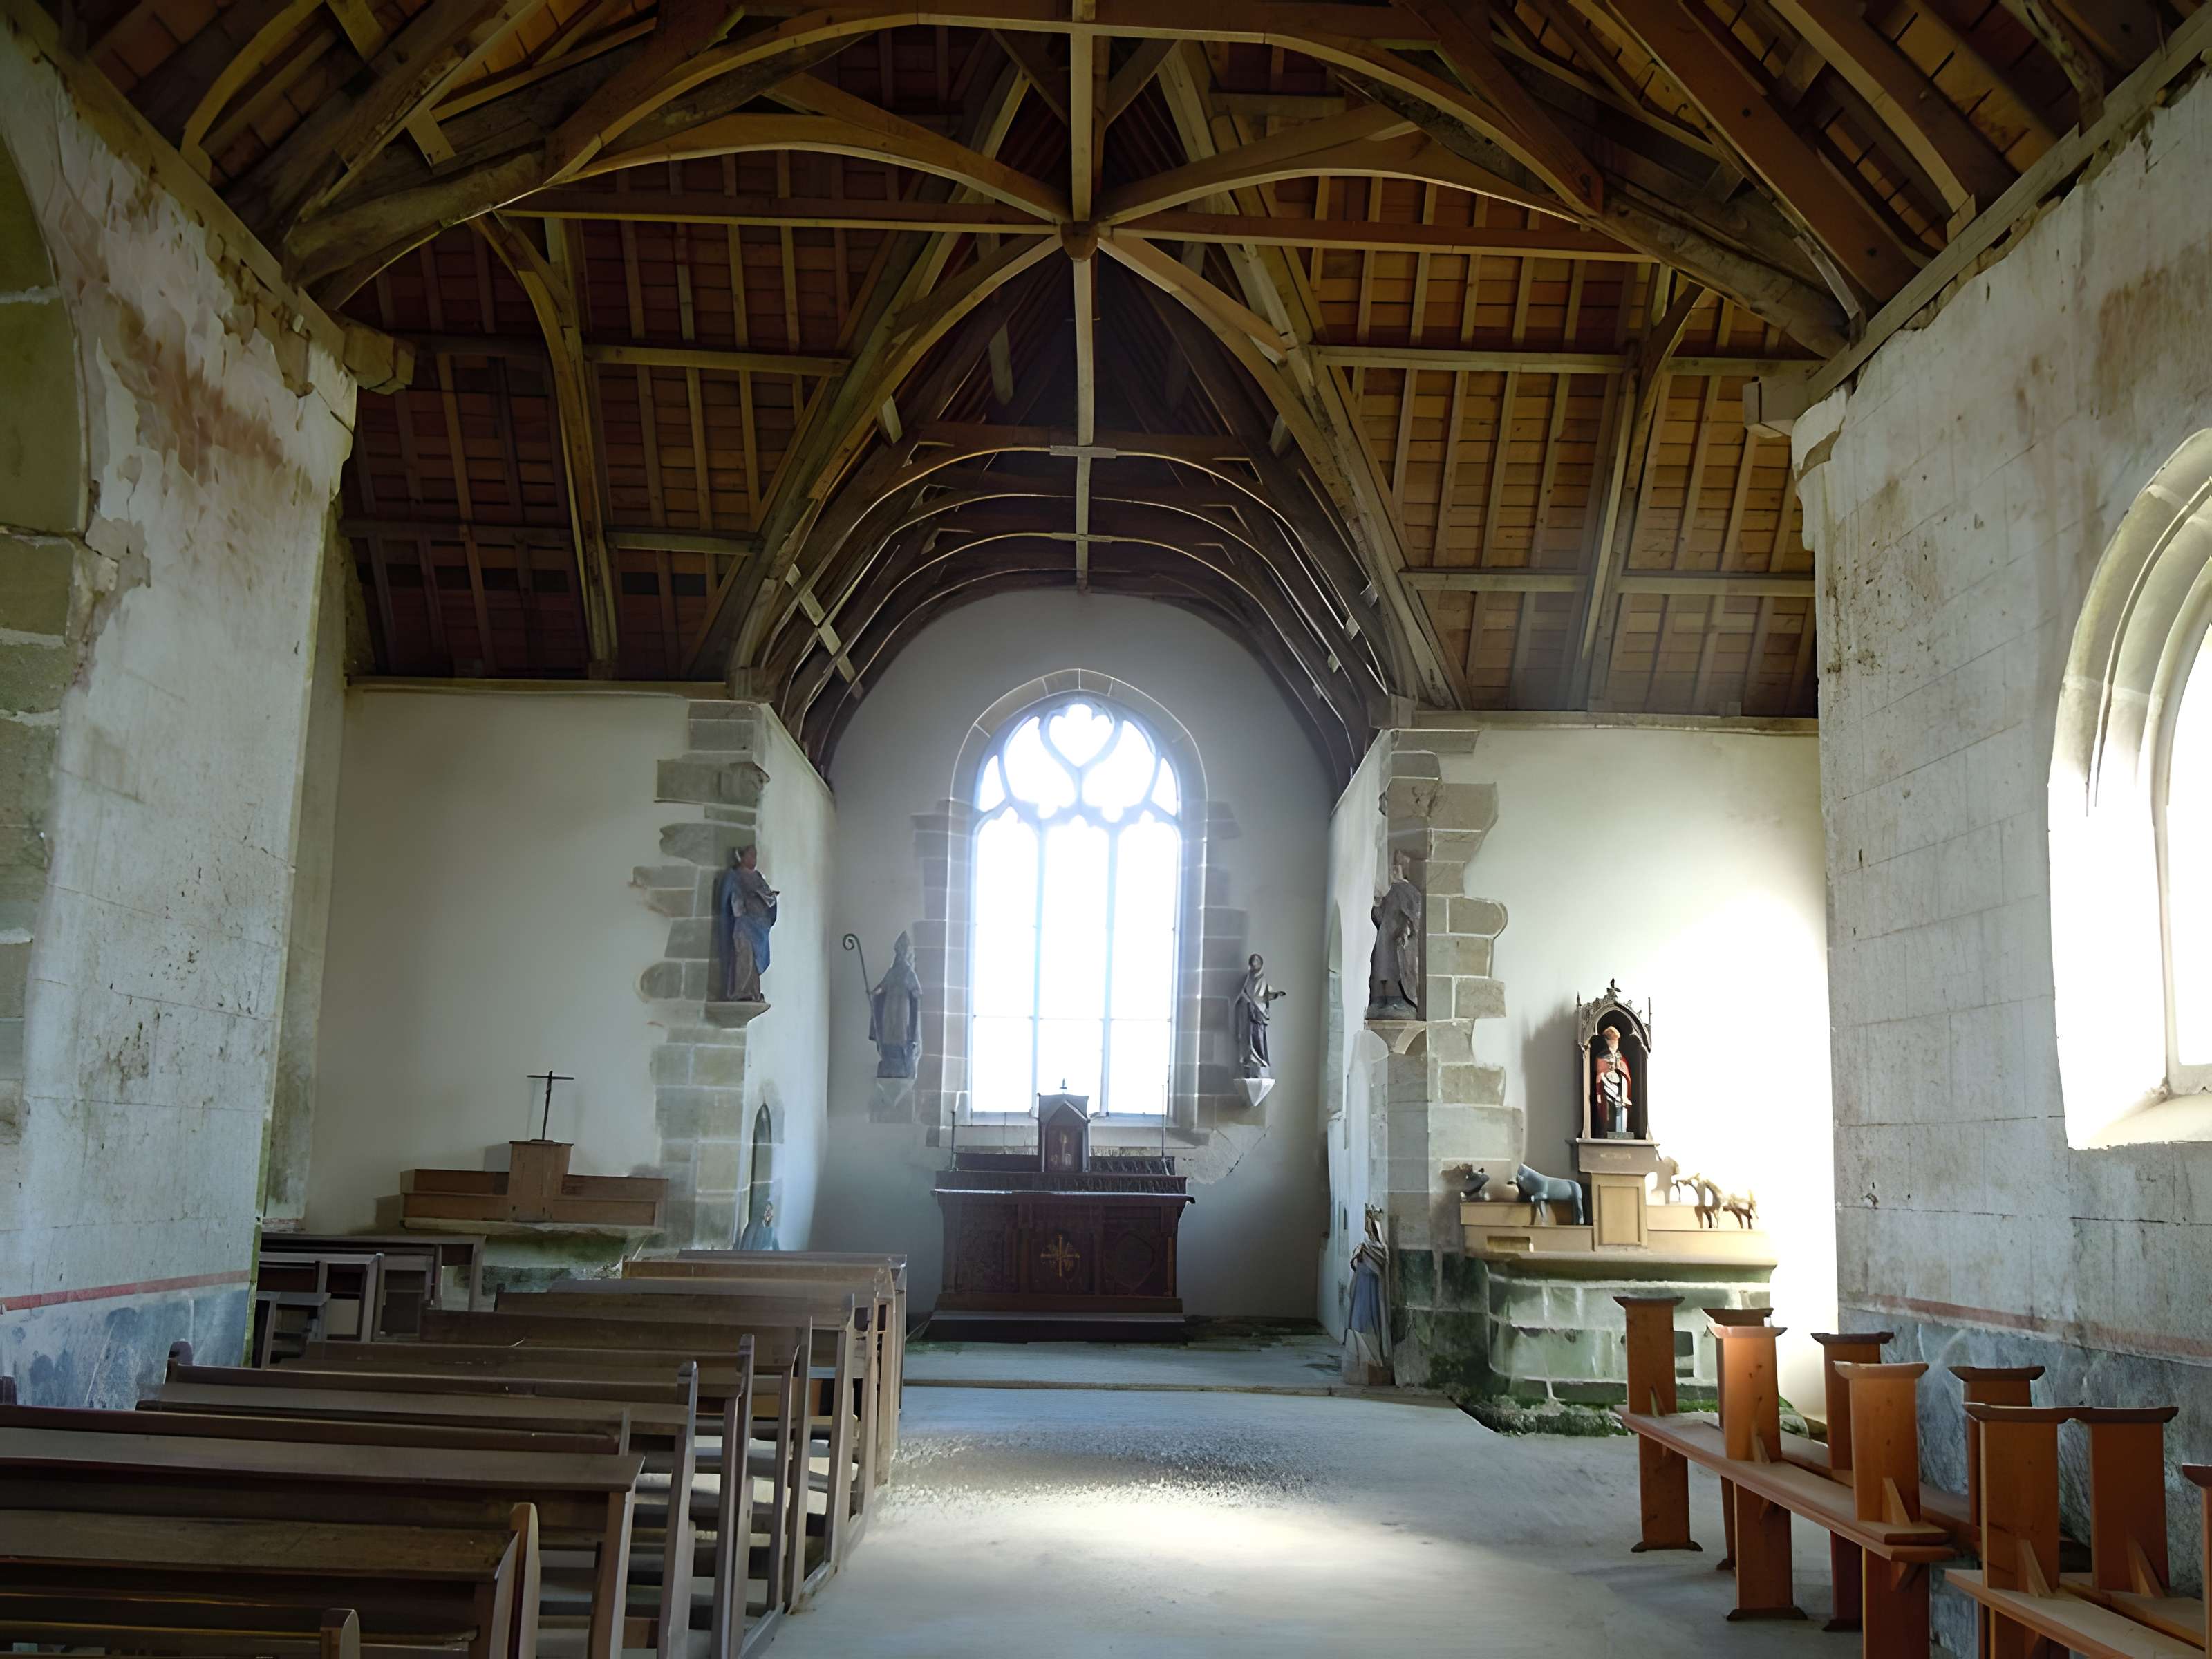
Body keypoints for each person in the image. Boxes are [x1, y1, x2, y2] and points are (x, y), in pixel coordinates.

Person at [712, 845, 778, 1002]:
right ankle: (740, 991)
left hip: (759, 925)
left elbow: (768, 897)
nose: (753, 860)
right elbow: (725, 901)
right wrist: (747, 898)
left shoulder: (758, 877)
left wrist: (770, 899)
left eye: (755, 856)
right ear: (741, 857)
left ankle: (753, 992)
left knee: (755, 960)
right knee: (744, 956)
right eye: (750, 856)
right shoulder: (733, 876)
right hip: (742, 923)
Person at [1367, 850, 1423, 1018]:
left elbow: (1416, 914)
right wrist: (1377, 904)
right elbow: (1377, 915)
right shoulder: (1386, 891)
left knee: (1396, 969)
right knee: (1381, 968)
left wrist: (1407, 929)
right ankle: (1381, 999)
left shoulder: (1406, 890)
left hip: (1397, 937)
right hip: (1385, 934)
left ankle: (1397, 999)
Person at [869, 932, 922, 1078]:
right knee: (888, 1028)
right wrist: (874, 993)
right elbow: (883, 986)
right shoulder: (893, 971)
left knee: (901, 1030)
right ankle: (890, 1053)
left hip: (903, 1005)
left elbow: (917, 991)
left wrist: (914, 994)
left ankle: (901, 1055)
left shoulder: (908, 971)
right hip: (890, 1005)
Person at [1232, 953, 1286, 1078]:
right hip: (1249, 1013)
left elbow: (1267, 992)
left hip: (1259, 1014)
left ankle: (1261, 1060)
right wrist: (1245, 1000)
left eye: (1257, 961)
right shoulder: (1248, 979)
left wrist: (1276, 994)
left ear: (1261, 963)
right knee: (1248, 1037)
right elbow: (1243, 993)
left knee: (1259, 1037)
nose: (1255, 963)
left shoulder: (1262, 978)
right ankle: (1250, 1060)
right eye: (1253, 961)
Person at [1593, 1022, 1633, 1137]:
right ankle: (1607, 1130)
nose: (1615, 1044)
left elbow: (1626, 1073)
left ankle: (1621, 1132)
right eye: (1613, 1041)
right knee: (1607, 1114)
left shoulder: (1621, 1058)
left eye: (1616, 1042)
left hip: (1620, 1092)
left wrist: (1619, 1068)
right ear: (1607, 1041)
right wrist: (1606, 1073)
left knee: (1621, 1111)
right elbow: (1599, 1073)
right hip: (1607, 1091)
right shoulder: (1601, 1056)